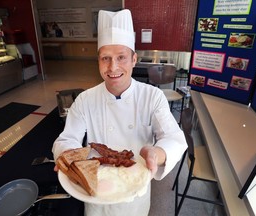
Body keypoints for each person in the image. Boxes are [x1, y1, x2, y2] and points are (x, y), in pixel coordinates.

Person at [52, 9, 187, 216]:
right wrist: (67, 155)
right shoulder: (85, 99)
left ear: (134, 59)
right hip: (97, 190)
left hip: (135, 189)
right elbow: (68, 138)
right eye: (105, 58)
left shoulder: (152, 97)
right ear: (97, 61)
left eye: (121, 57)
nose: (112, 67)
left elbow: (174, 138)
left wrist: (156, 153)